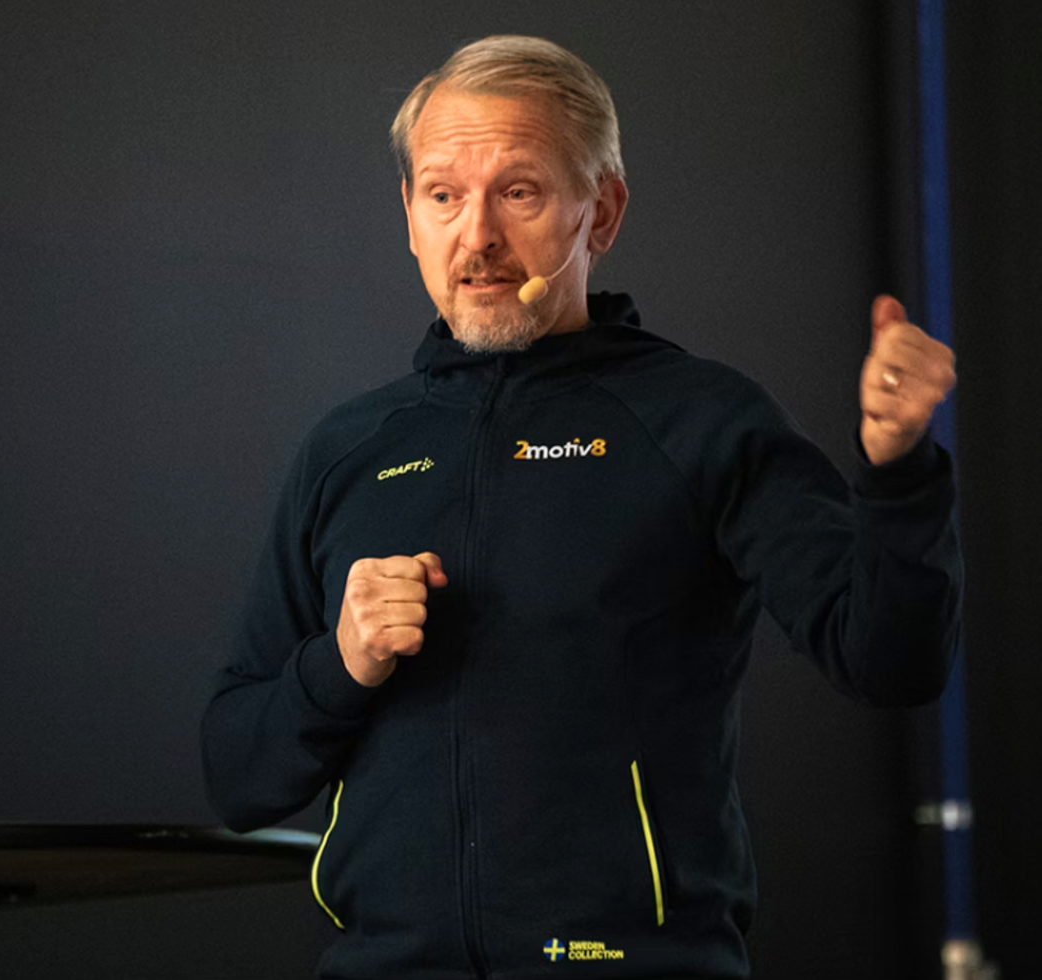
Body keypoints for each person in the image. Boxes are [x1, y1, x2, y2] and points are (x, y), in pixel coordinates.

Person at [201, 35, 961, 980]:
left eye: (518, 192)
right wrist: (341, 662)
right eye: (443, 195)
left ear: (600, 211)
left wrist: (897, 473)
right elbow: (237, 777)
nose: (477, 235)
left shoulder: (700, 421)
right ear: (410, 216)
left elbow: (892, 660)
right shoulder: (348, 450)